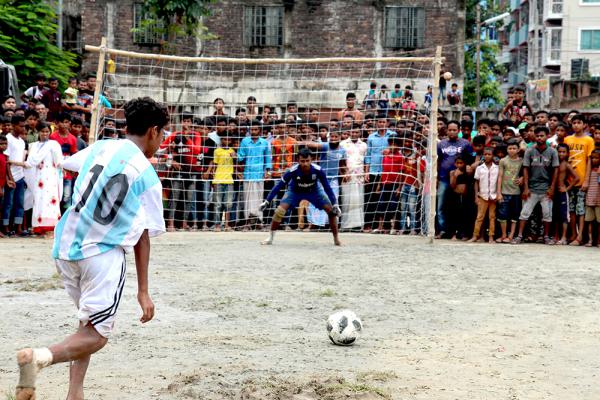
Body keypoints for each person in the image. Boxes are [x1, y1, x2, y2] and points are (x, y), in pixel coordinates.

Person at [14, 97, 167, 400]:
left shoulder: (102, 147)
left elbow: (68, 164)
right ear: (153, 131)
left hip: (66, 248)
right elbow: (143, 236)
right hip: (102, 254)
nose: (160, 142)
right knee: (97, 336)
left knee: (86, 323)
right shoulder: (148, 177)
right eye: (162, 135)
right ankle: (40, 358)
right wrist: (143, 290)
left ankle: (75, 392)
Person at [259, 148, 342, 246]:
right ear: (298, 160)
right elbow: (279, 186)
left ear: (312, 160)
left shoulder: (318, 170)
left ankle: (336, 239)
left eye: (307, 161)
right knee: (279, 211)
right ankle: (270, 238)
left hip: (314, 191)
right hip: (295, 191)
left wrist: (335, 203)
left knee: (332, 212)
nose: (305, 164)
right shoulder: (292, 171)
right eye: (302, 161)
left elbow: (327, 187)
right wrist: (267, 201)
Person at [512, 126, 559, 245]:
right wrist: (526, 188)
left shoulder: (552, 151)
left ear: (547, 136)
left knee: (547, 214)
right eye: (537, 136)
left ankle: (546, 237)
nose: (539, 138)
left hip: (546, 189)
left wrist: (552, 188)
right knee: (524, 213)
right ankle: (519, 236)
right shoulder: (529, 150)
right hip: (532, 188)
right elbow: (526, 170)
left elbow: (555, 170)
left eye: (542, 135)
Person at [22, 121, 64, 236]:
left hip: (50, 176)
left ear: (50, 132)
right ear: (38, 132)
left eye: (47, 131)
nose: (45, 134)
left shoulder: (54, 144)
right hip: (38, 177)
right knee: (39, 200)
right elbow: (31, 161)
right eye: (42, 131)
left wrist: (66, 166)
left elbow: (59, 161)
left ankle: (51, 227)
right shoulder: (34, 145)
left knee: (50, 200)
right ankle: (39, 227)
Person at [436, 120, 472, 238]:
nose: (452, 132)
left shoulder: (465, 144)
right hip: (443, 179)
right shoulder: (441, 144)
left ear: (459, 131)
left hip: (460, 180)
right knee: (441, 206)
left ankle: (460, 231)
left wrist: (467, 169)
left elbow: (470, 159)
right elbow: (438, 160)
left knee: (459, 207)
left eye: (454, 130)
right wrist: (436, 177)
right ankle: (443, 230)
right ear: (447, 130)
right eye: (450, 130)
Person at [564, 114, 595, 246]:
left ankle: (580, 236)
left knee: (580, 210)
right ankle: (573, 234)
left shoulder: (589, 140)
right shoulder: (567, 139)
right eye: (574, 122)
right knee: (571, 210)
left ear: (584, 125)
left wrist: (586, 180)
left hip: (582, 181)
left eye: (579, 122)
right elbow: (564, 160)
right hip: (569, 182)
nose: (576, 125)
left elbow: (589, 161)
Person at [237, 122, 272, 230]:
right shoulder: (245, 141)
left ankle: (258, 222)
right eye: (252, 130)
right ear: (249, 131)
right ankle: (247, 222)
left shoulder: (264, 143)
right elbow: (240, 157)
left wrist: (267, 172)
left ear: (260, 131)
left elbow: (268, 158)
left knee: (259, 198)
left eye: (256, 130)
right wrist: (236, 156)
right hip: (247, 174)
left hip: (259, 175)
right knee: (247, 199)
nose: (254, 132)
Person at [205, 134, 236, 231]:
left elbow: (237, 163)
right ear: (221, 140)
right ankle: (217, 225)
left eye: (229, 139)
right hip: (218, 179)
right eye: (224, 139)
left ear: (230, 141)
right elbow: (214, 165)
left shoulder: (232, 151)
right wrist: (213, 179)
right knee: (217, 204)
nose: (226, 140)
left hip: (229, 180)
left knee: (228, 204)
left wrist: (235, 157)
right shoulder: (217, 151)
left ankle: (227, 225)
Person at [2, 115, 27, 236]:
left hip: (21, 176)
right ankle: (5, 227)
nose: (23, 128)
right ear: (13, 125)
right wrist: (9, 178)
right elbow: (6, 161)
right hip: (11, 176)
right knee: (8, 204)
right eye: (20, 126)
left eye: (24, 126)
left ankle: (18, 227)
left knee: (20, 203)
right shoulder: (8, 139)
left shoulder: (22, 141)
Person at [339, 125, 367, 230]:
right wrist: (344, 173)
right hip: (347, 175)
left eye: (357, 132)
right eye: (353, 132)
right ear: (349, 132)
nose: (354, 134)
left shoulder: (364, 145)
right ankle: (346, 225)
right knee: (347, 199)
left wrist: (366, 173)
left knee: (358, 199)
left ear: (360, 133)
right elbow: (340, 161)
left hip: (359, 175)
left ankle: (358, 225)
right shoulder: (343, 144)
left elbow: (365, 161)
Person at [469, 147, 499, 243]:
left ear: (493, 156)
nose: (487, 156)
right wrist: (476, 196)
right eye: (485, 154)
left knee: (492, 217)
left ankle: (491, 237)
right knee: (479, 217)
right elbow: (476, 182)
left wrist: (498, 194)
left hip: (493, 196)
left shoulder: (497, 168)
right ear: (483, 155)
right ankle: (475, 236)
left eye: (489, 154)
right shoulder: (479, 168)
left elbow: (499, 182)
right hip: (482, 195)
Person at [496, 140, 522, 243]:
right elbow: (500, 176)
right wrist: (498, 192)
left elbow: (526, 172)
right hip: (504, 192)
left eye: (514, 148)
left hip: (516, 192)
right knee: (502, 215)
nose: (512, 150)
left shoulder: (521, 161)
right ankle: (503, 235)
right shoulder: (503, 161)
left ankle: (511, 236)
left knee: (514, 215)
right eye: (509, 148)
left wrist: (523, 178)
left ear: (518, 150)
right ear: (507, 150)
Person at [50, 113, 78, 211]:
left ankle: (65, 216)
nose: (64, 125)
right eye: (62, 122)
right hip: (55, 169)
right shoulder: (53, 136)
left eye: (66, 122)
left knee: (67, 195)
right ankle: (54, 214)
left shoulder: (73, 139)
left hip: (67, 170)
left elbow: (74, 154)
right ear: (57, 123)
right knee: (55, 193)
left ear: (69, 123)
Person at [553, 144, 579, 245]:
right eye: (559, 152)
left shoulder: (566, 165)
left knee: (564, 215)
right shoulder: (553, 163)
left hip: (562, 193)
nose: (561, 154)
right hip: (553, 192)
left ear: (567, 153)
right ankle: (556, 236)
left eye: (563, 152)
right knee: (555, 215)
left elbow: (576, 178)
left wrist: (567, 188)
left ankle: (564, 237)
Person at [448, 156, 473, 240]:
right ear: (455, 164)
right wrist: (455, 176)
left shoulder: (468, 171)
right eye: (457, 163)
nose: (459, 165)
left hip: (466, 196)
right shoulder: (452, 172)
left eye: (461, 163)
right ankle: (453, 234)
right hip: (455, 195)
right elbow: (452, 185)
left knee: (465, 214)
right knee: (454, 214)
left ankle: (464, 234)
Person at [583, 149, 600, 247]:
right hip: (590, 199)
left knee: (599, 222)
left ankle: (598, 241)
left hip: (599, 200)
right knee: (589, 221)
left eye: (596, 158)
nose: (594, 160)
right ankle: (590, 240)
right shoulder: (589, 171)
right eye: (592, 158)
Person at [0, 134, 15, 238]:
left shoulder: (4, 156)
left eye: (5, 144)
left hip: (2, 184)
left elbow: (4, 171)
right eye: (1, 144)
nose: (3, 146)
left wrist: (8, 180)